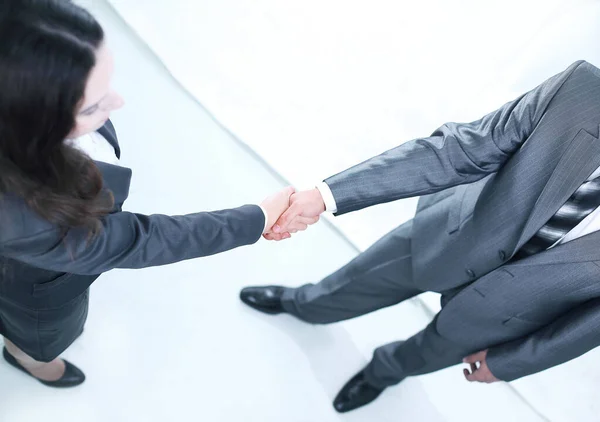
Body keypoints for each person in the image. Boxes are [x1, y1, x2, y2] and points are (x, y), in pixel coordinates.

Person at [243, 59, 600, 412]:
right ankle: (304, 304)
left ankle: (382, 374)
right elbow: (458, 150)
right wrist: (326, 195)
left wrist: (512, 363)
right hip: (454, 234)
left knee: (426, 353)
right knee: (357, 281)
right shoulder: (581, 89)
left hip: (520, 310)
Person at [0, 0, 316, 388]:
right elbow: (138, 240)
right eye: (94, 105)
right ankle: (30, 360)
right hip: (34, 292)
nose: (119, 103)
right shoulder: (25, 218)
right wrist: (258, 217)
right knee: (41, 339)